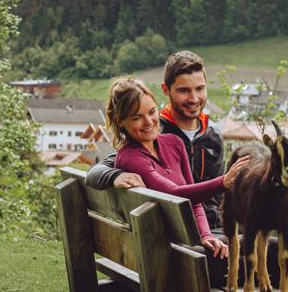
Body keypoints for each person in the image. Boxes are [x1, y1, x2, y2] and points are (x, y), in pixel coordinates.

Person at [88, 51, 288, 292]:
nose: (193, 97)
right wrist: (111, 177)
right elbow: (154, 186)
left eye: (199, 89)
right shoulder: (138, 149)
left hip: (207, 238)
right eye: (184, 90)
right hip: (179, 252)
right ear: (167, 92)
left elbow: (197, 201)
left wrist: (210, 234)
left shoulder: (198, 137)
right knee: (270, 263)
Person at [106, 77, 251, 256]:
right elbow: (173, 193)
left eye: (152, 112)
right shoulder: (130, 158)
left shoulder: (174, 143)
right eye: (137, 117)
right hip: (167, 254)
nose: (149, 121)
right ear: (120, 121)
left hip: (190, 246)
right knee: (275, 256)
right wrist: (223, 182)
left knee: (278, 249)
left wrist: (206, 236)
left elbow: (194, 202)